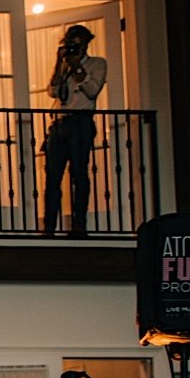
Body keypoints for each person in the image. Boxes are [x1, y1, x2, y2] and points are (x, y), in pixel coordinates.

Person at [41, 23, 108, 237]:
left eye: (78, 46)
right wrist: (59, 63)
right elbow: (52, 91)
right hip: (59, 123)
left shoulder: (97, 64)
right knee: (52, 177)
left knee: (79, 173)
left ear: (87, 44)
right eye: (71, 45)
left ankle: (79, 225)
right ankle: (49, 226)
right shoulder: (64, 66)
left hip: (80, 122)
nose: (74, 50)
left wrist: (79, 67)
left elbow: (91, 91)